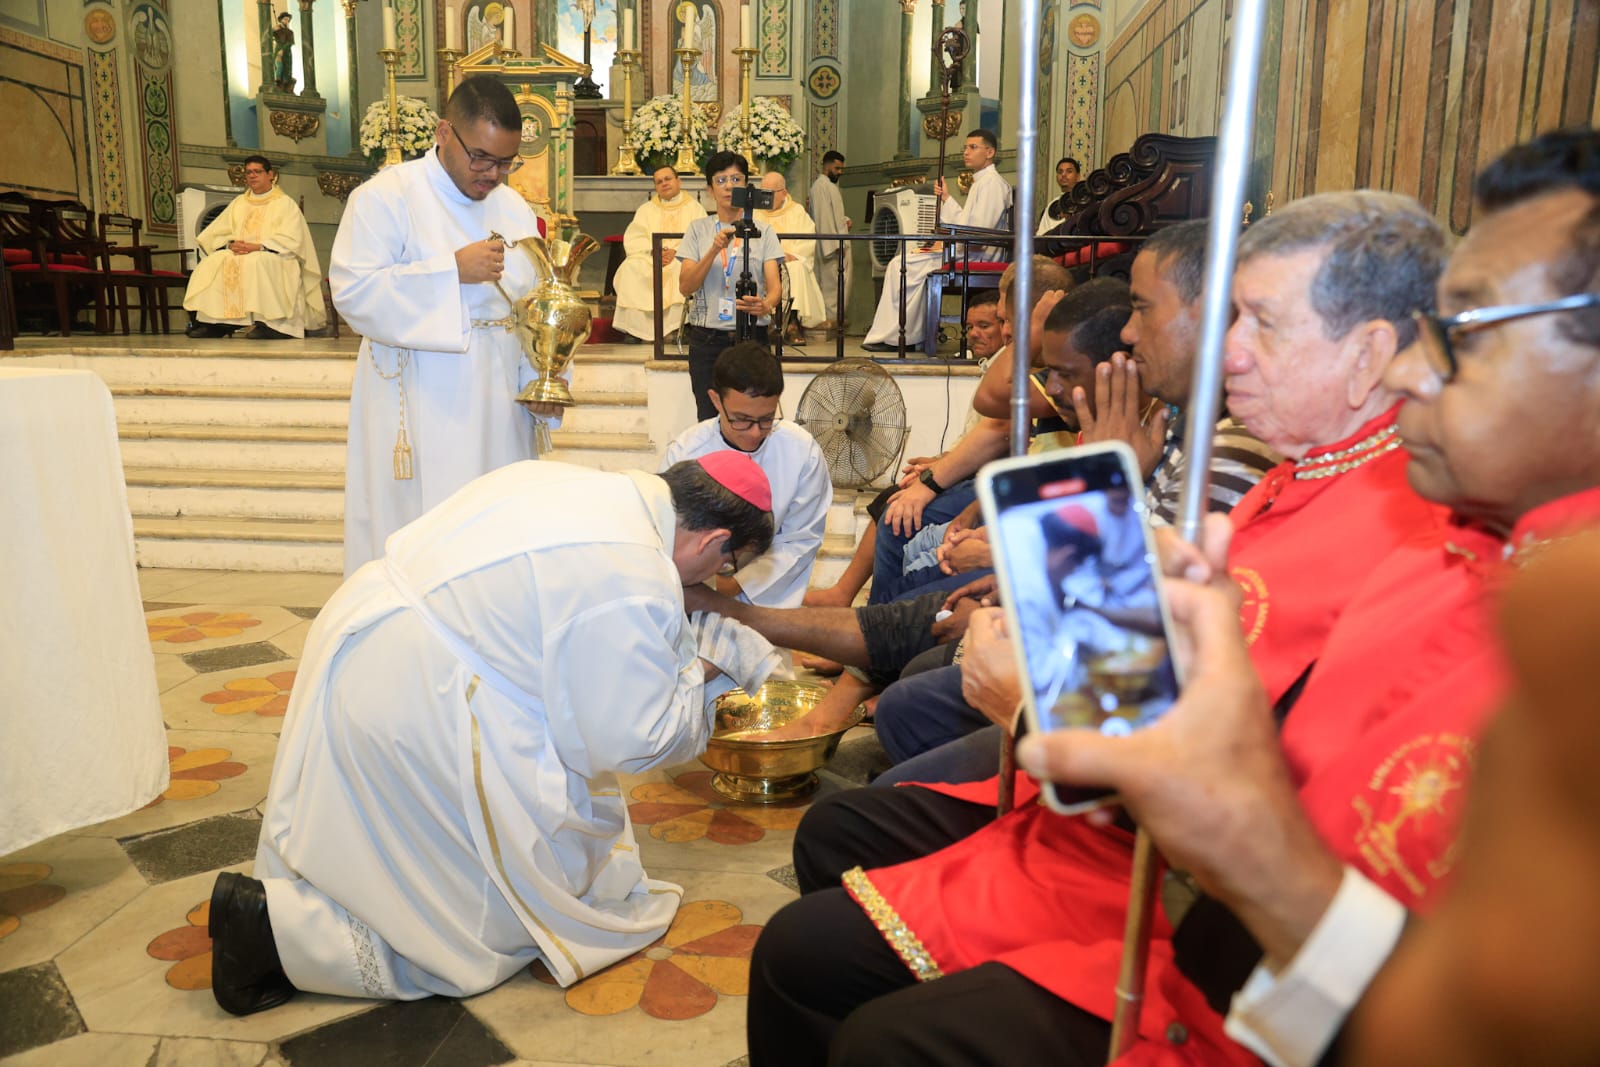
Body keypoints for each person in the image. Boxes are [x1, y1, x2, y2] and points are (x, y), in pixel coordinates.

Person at [743, 190, 1455, 1066]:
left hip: (1158, 875)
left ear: (1368, 354)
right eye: (1229, 319)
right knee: (828, 872)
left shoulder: (1392, 528)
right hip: (1113, 821)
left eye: (1259, 324)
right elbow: (1140, 652)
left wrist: (1025, 706)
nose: (1230, 349)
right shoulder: (1293, 476)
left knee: (843, 991)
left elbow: (1213, 754)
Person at [209, 453, 776, 1015]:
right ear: (712, 541)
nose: (715, 582)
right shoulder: (635, 571)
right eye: (727, 566)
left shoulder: (584, 484)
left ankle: (283, 905)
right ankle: (273, 935)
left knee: (384, 846)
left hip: (368, 637)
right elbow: (629, 738)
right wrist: (710, 665)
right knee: (478, 913)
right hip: (426, 695)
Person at [332, 76, 561, 578]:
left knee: (497, 530)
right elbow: (353, 291)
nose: (492, 175)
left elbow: (533, 304)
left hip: (500, 405)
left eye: (506, 162)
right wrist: (449, 272)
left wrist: (543, 379)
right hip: (422, 398)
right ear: (443, 132)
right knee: (425, 534)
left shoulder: (513, 208)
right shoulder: (385, 197)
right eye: (481, 158)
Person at [805, 290, 1004, 609]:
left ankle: (877, 615)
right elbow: (976, 441)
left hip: (983, 478)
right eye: (969, 327)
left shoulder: (1005, 374)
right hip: (970, 470)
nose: (974, 334)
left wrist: (936, 474)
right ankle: (844, 593)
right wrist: (938, 462)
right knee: (891, 496)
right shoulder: (990, 369)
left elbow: (997, 441)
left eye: (985, 325)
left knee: (895, 517)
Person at [660, 342, 831, 608]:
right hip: (698, 587)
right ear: (716, 400)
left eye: (766, 419)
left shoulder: (801, 451)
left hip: (771, 592)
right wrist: (710, 583)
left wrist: (739, 583)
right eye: (741, 419)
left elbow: (801, 539)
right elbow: (670, 536)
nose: (754, 432)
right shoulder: (685, 453)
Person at [863, 130, 1012, 352]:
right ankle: (904, 336)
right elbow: (966, 223)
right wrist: (946, 199)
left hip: (977, 256)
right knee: (902, 264)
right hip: (966, 250)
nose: (966, 152)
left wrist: (946, 244)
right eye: (965, 147)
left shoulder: (992, 184)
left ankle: (903, 338)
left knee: (901, 265)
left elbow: (979, 235)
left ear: (990, 152)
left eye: (973, 147)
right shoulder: (982, 182)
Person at [677, 151, 784, 421]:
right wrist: (713, 250)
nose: (728, 186)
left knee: (753, 417)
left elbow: (775, 287)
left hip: (752, 336)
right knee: (710, 417)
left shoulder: (764, 232)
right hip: (708, 340)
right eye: (721, 180)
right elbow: (686, 286)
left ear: (746, 185)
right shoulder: (698, 230)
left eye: (736, 179)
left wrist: (766, 305)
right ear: (710, 189)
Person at [182, 155, 327, 340]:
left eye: (257, 171)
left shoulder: (284, 203)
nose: (252, 176)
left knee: (257, 261)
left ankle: (274, 325)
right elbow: (217, 232)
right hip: (241, 253)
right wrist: (230, 244)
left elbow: (293, 239)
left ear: (270, 174)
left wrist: (259, 246)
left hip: (275, 255)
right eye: (248, 172)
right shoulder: (239, 203)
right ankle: (217, 324)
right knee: (212, 262)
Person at [612, 164, 706, 343]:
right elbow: (634, 238)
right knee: (630, 268)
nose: (664, 184)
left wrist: (677, 252)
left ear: (678, 181)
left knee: (680, 268)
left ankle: (681, 327)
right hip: (652, 257)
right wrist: (654, 251)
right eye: (659, 182)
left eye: (668, 179)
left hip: (682, 257)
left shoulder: (695, 208)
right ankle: (635, 330)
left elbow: (701, 238)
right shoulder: (646, 210)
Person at [755, 171, 828, 343]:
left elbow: (806, 241)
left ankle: (791, 325)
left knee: (795, 269)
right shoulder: (755, 212)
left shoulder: (797, 211)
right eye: (763, 193)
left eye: (770, 193)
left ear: (783, 192)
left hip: (788, 261)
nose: (765, 198)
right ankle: (765, 324)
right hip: (761, 261)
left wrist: (790, 255)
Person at [808, 150, 852, 332]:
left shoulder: (830, 187)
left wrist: (845, 221)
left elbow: (834, 215)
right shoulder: (820, 187)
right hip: (832, 246)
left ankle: (836, 320)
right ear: (826, 166)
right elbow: (823, 218)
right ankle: (830, 321)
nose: (840, 172)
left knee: (839, 285)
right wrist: (833, 244)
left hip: (839, 242)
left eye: (841, 169)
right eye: (837, 168)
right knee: (830, 286)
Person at [1036, 156, 1082, 235]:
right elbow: (1041, 235)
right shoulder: (1053, 205)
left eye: (1069, 171)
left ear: (1078, 176)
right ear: (1057, 177)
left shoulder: (1085, 201)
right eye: (1060, 172)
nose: (1063, 175)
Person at [270, 12, 294, 93]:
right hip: (278, 49)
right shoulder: (277, 30)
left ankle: (284, 85)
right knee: (279, 66)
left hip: (287, 52)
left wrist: (283, 50)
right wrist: (273, 30)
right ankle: (278, 82)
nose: (286, 21)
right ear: (281, 20)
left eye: (288, 19)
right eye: (285, 19)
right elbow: (269, 36)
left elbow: (290, 43)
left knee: (286, 69)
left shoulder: (290, 32)